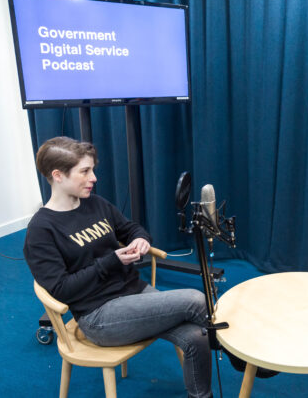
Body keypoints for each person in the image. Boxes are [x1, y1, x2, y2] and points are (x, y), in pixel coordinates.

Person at [23, 137, 212, 398]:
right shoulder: (41, 230)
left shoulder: (95, 203)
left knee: (196, 336)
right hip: (99, 315)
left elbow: (131, 228)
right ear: (58, 175)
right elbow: (61, 289)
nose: (94, 178)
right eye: (85, 171)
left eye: (92, 169)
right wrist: (111, 261)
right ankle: (239, 353)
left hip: (133, 292)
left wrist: (140, 239)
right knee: (195, 299)